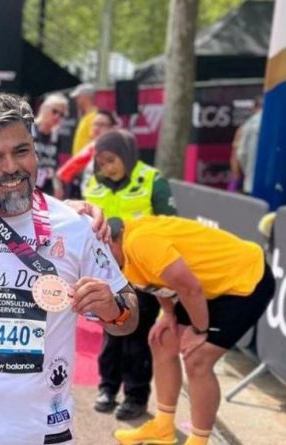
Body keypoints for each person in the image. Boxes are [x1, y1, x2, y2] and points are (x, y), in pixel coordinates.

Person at [0, 91, 139, 445]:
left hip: (45, 434)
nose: (11, 167)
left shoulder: (76, 226)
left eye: (21, 151)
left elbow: (128, 317)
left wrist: (114, 310)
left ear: (35, 151)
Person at [108, 215, 275, 445]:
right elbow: (155, 280)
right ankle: (163, 428)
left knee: (197, 359)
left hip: (243, 279)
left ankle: (198, 440)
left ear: (111, 242)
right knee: (162, 340)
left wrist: (198, 330)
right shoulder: (119, 252)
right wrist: (168, 314)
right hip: (205, 286)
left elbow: (190, 289)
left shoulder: (140, 241)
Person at [83, 129, 176, 420]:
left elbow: (170, 226)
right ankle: (107, 387)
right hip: (107, 272)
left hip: (143, 272)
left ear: (127, 155)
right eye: (101, 163)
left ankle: (135, 396)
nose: (107, 168)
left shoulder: (152, 180)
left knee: (137, 337)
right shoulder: (93, 184)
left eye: (112, 161)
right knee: (111, 331)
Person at [56, 109, 117, 194]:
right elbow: (63, 174)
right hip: (90, 198)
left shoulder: (120, 151)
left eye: (102, 125)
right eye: (95, 124)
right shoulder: (91, 148)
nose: (97, 128)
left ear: (112, 129)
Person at [32, 93, 68, 197]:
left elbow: (54, 165)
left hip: (46, 188)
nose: (57, 117)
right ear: (44, 108)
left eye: (62, 115)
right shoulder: (28, 129)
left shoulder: (56, 137)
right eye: (55, 111)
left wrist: (58, 186)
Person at [230, 96, 263, 194]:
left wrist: (236, 180)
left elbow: (237, 156)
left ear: (254, 107)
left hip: (249, 182)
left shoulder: (244, 128)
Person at [70, 83, 98, 157]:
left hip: (86, 162)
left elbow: (94, 143)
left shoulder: (94, 117)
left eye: (78, 97)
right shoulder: (85, 117)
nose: (76, 100)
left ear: (85, 97)